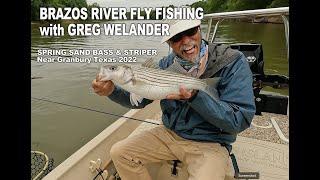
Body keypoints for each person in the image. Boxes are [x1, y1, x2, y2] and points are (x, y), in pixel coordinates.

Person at [92, 19, 256, 180]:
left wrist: (195, 97)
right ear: (169, 42)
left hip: (210, 142)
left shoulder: (232, 61)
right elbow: (139, 100)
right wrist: (112, 91)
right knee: (119, 153)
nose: (186, 41)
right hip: (169, 134)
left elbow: (239, 120)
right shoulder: (166, 63)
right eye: (177, 37)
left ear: (199, 29)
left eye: (190, 31)